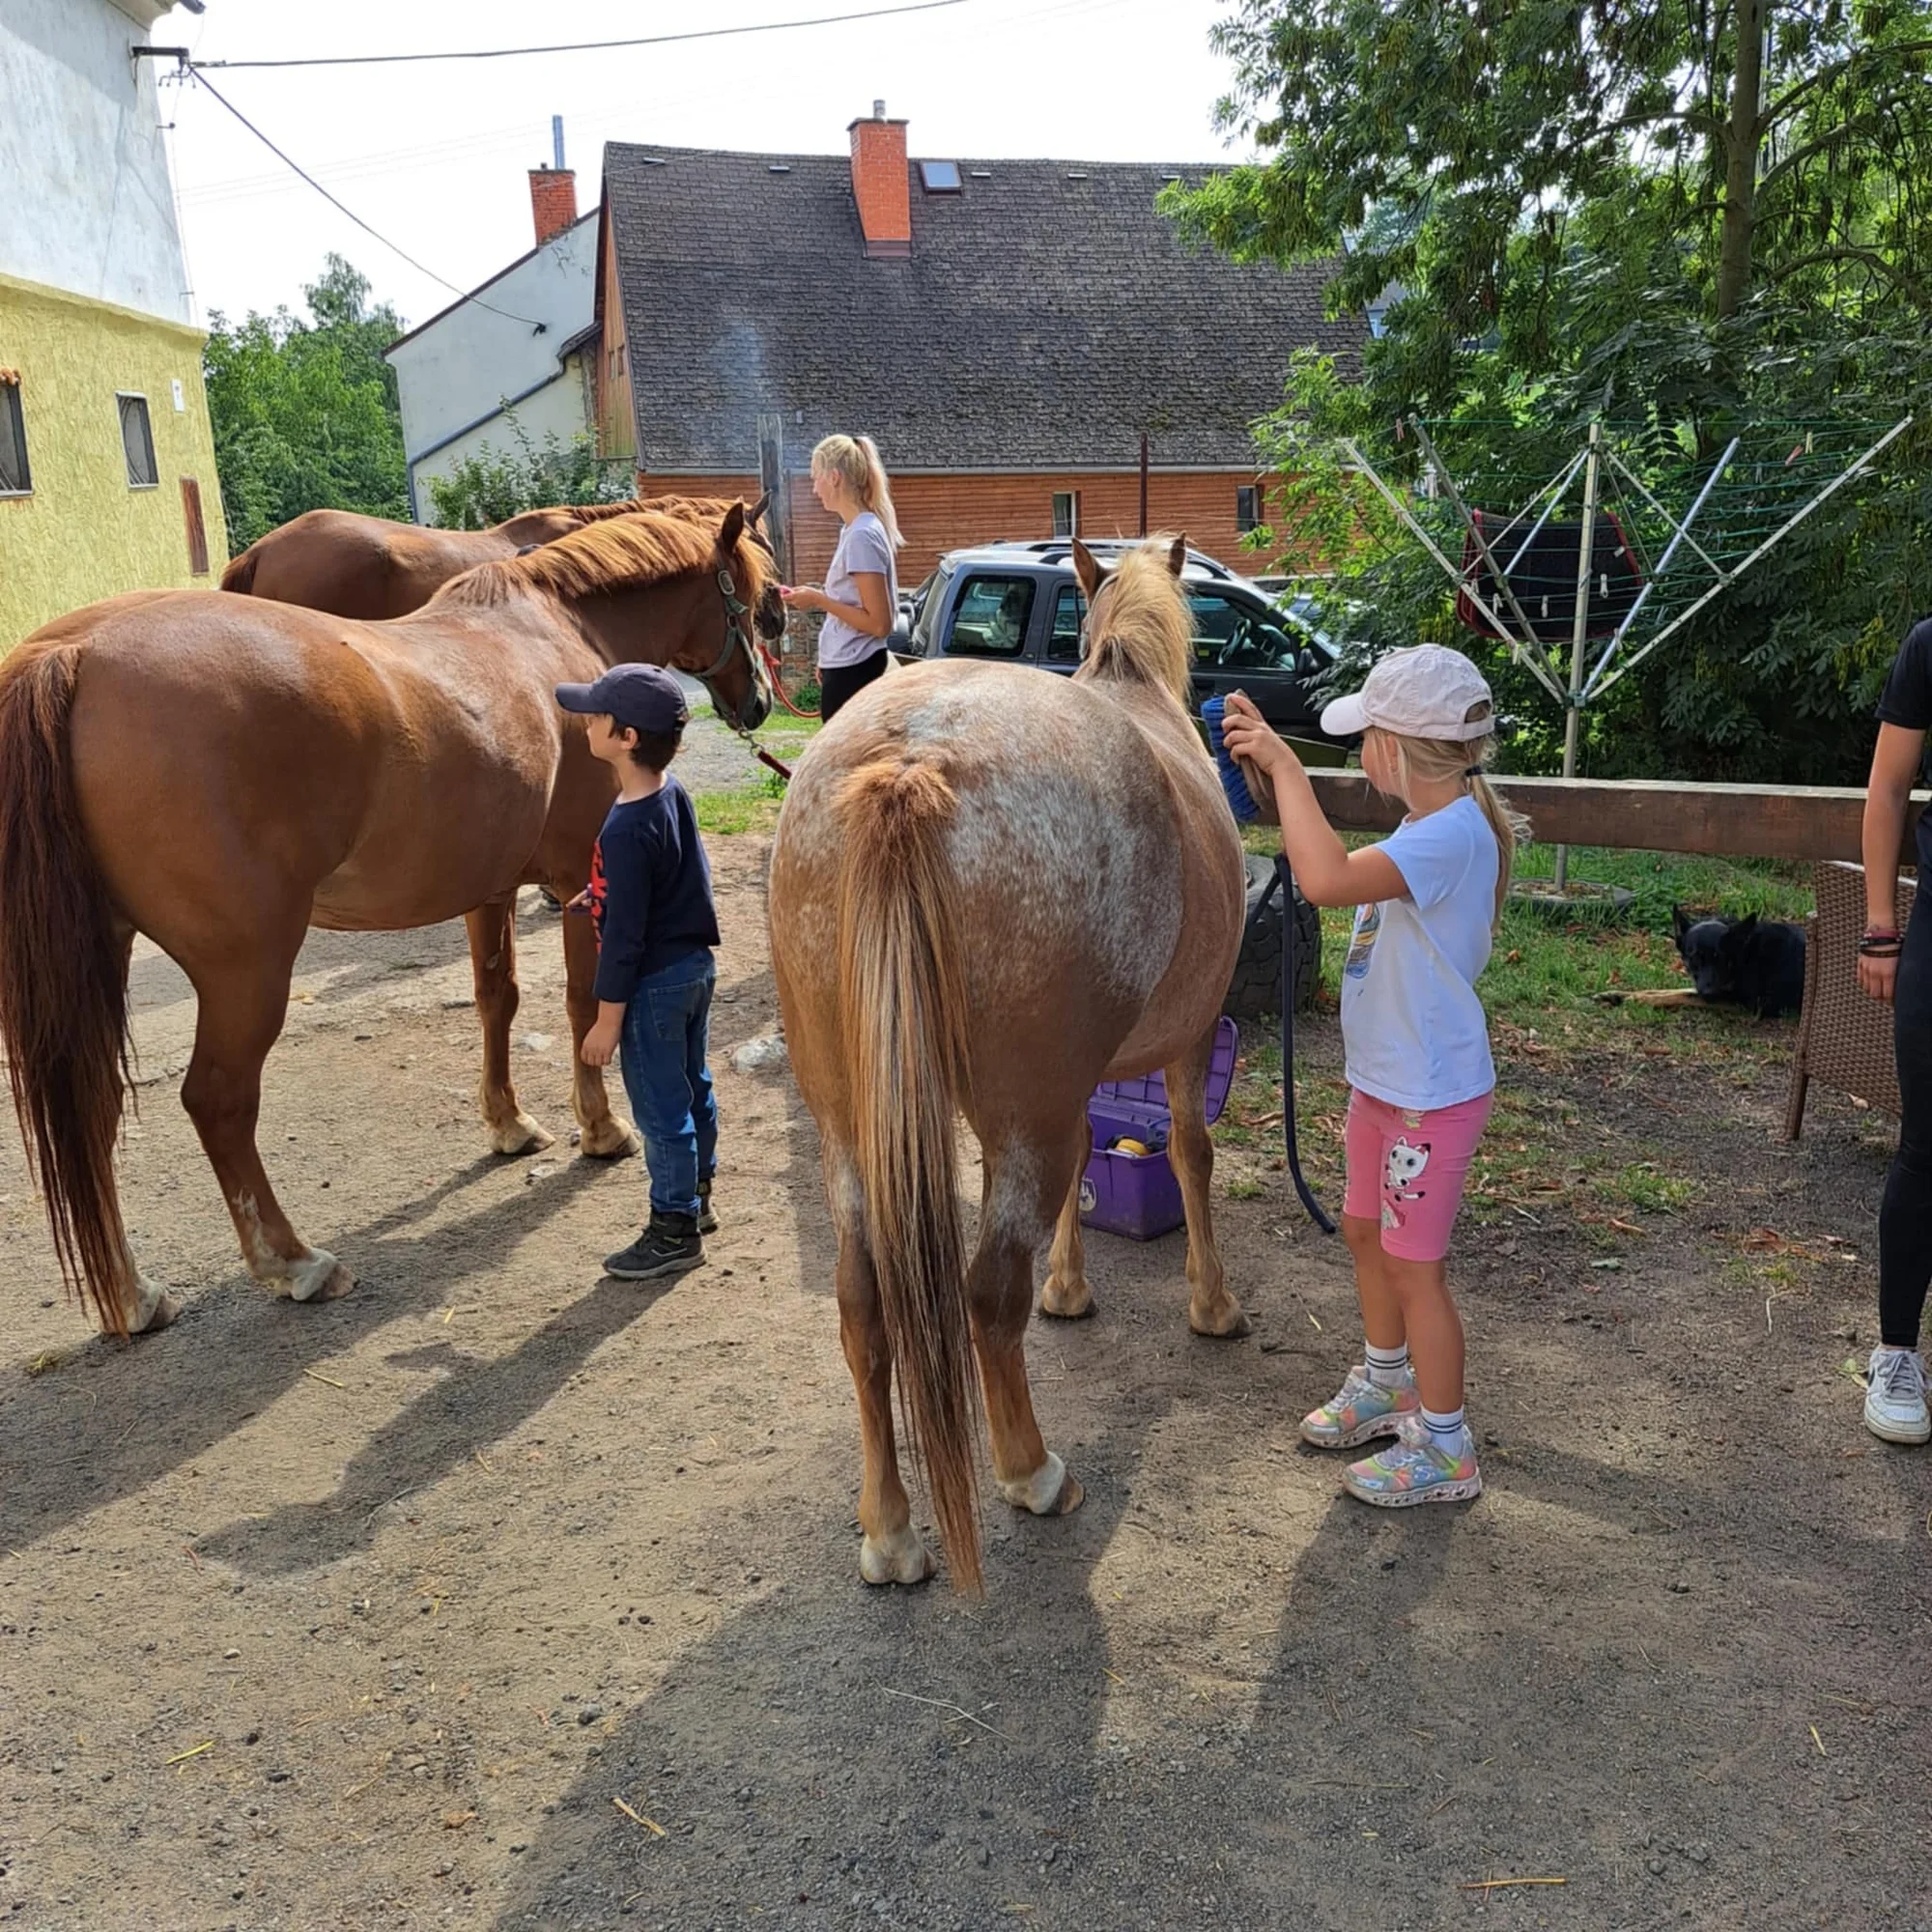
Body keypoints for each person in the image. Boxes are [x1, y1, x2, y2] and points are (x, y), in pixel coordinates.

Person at [1221, 644, 1521, 1507]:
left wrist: (1283, 768)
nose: (1360, 754)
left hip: (1430, 1097)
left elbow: (1321, 880)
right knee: (1364, 1232)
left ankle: (1447, 1446)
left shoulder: (1453, 834)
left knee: (1414, 1267)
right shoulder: (1428, 828)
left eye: (1366, 739)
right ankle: (1390, 1382)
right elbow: (1333, 868)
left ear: (1395, 748)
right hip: (1386, 1083)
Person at [554, 663, 722, 1281]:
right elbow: (675, 881)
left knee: (659, 1111)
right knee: (694, 1086)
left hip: (650, 986)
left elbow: (624, 942)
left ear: (626, 738)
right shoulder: (670, 793)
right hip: (693, 969)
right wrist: (600, 895)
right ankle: (699, 1198)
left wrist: (605, 1020)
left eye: (596, 717)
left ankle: (673, 1229)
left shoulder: (624, 825)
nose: (587, 722)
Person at [1856, 613, 1932, 1445]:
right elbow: (1887, 788)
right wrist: (1881, 926)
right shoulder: (1929, 644)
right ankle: (1898, 1353)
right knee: (1926, 1144)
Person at [779, 433, 902, 722]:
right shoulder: (856, 529)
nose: (813, 489)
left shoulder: (861, 535)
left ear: (834, 477)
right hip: (849, 665)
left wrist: (819, 600)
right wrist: (829, 658)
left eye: (815, 477)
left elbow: (879, 623)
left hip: (855, 669)